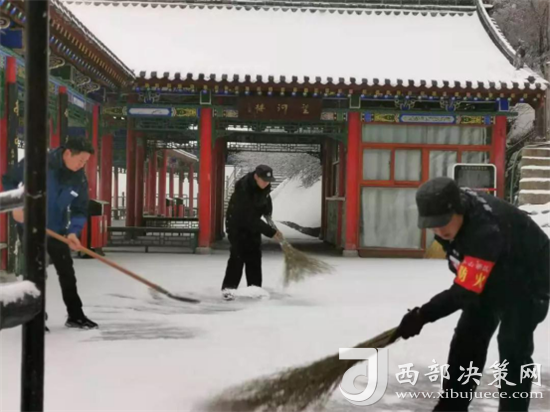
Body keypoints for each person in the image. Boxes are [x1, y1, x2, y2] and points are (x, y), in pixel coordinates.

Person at [392, 177, 549, 411]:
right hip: (493, 273)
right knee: (467, 339)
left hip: (530, 279)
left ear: (458, 210)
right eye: (432, 225)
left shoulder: (484, 232)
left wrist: (423, 315)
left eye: (443, 222)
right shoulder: (452, 218)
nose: (439, 230)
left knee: (512, 345)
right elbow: (466, 277)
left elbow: (463, 291)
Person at [2, 137, 99, 329]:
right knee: (36, 274)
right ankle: (36, 318)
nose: (82, 165)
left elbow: (80, 209)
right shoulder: (38, 162)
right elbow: (9, 180)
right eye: (81, 160)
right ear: (68, 153)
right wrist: (17, 204)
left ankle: (75, 316)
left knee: (67, 272)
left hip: (57, 230)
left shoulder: (78, 178)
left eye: (86, 162)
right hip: (31, 228)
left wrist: (73, 232)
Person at [221, 165, 283, 300]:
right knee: (238, 257)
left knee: (254, 257)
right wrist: (271, 232)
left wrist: (268, 215)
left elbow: (266, 201)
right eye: (264, 180)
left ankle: (255, 289)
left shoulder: (264, 188)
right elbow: (249, 218)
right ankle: (228, 290)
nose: (266, 183)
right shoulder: (243, 190)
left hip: (252, 227)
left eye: (268, 181)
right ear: (256, 176)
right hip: (237, 226)